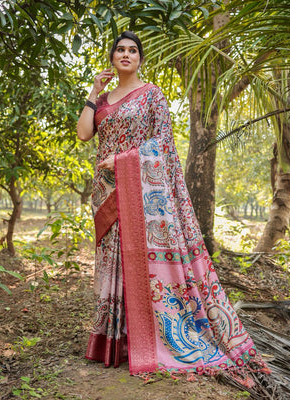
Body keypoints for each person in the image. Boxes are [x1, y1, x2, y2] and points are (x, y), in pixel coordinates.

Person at [77, 31, 268, 380]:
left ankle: (148, 340)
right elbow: (85, 134)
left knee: (138, 262)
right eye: (119, 49)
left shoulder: (151, 95)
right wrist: (92, 93)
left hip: (139, 191)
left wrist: (122, 159)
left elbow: (162, 144)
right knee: (112, 263)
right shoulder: (103, 99)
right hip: (106, 192)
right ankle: (113, 341)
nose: (125, 54)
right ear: (111, 57)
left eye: (132, 50)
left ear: (140, 58)